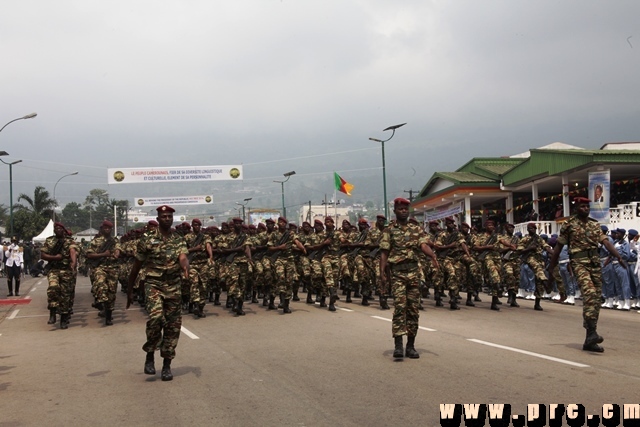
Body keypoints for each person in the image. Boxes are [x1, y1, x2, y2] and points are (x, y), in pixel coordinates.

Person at [548, 197, 625, 353]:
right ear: (576, 208)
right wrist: (551, 268)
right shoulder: (568, 225)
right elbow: (558, 248)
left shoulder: (594, 224)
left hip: (595, 263)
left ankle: (590, 337)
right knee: (589, 293)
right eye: (582, 206)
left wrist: (618, 256)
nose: (585, 209)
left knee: (596, 299)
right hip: (579, 263)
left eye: (587, 207)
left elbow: (606, 243)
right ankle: (592, 333)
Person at [127, 205, 189, 381]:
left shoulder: (178, 239)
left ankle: (167, 365)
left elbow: (183, 257)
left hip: (174, 286)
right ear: (158, 218)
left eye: (170, 216)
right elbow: (136, 266)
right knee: (155, 318)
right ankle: (150, 354)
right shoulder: (147, 239)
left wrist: (185, 268)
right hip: (154, 284)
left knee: (173, 326)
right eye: (164, 216)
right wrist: (130, 290)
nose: (167, 219)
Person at [380, 198, 439, 359]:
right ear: (395, 211)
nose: (403, 211)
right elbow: (384, 252)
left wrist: (432, 256)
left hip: (413, 274)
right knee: (400, 308)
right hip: (398, 274)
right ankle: (398, 346)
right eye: (400, 209)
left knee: (413, 310)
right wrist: (382, 273)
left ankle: (411, 346)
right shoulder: (389, 230)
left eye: (406, 209)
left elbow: (423, 245)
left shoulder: (416, 229)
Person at [41, 223, 78, 329]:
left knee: (65, 295)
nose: (57, 229)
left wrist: (73, 263)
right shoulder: (49, 241)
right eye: (55, 228)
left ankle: (64, 319)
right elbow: (43, 255)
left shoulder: (69, 241)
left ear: (63, 230)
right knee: (53, 288)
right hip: (54, 270)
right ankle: (52, 313)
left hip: (66, 270)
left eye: (59, 228)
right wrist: (55, 257)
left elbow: (73, 251)